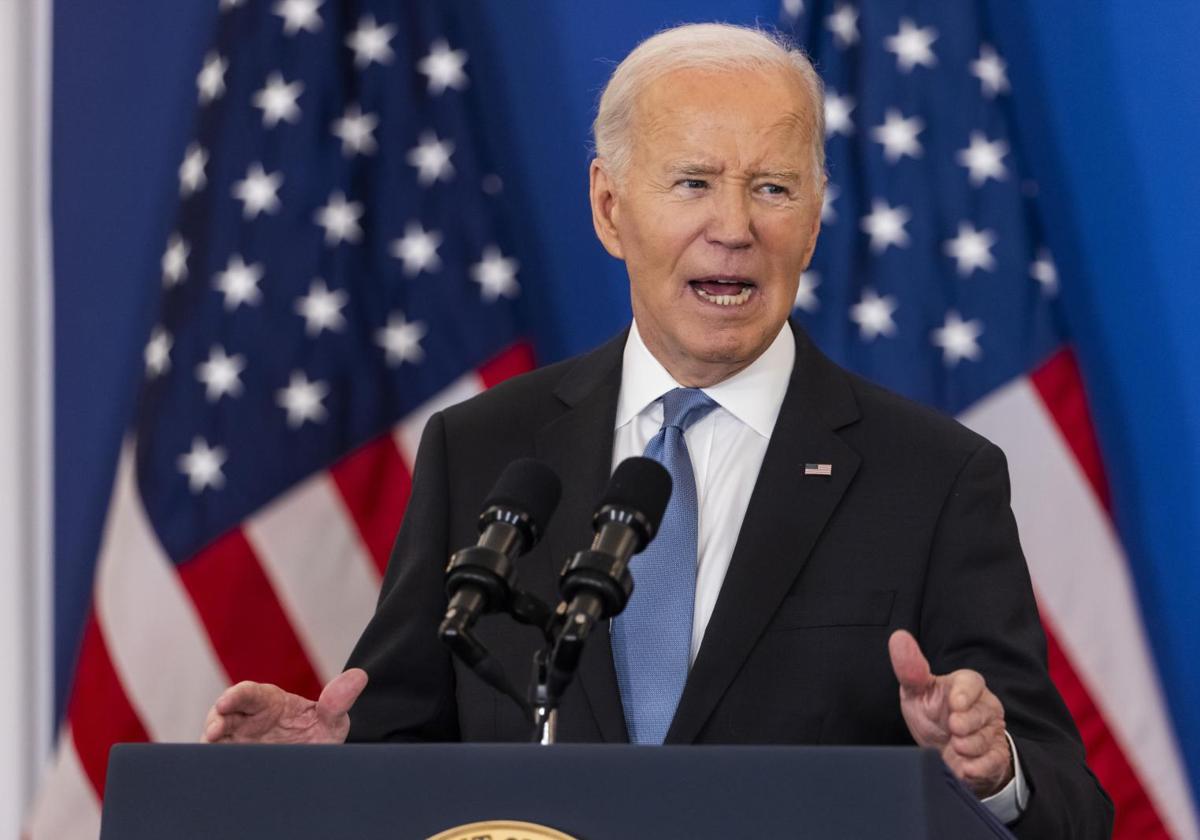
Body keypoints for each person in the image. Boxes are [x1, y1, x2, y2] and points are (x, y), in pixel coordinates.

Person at [203, 23, 1112, 837]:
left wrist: (992, 776)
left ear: (816, 214)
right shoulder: (484, 449)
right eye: (693, 183)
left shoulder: (933, 477)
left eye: (773, 186)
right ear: (610, 208)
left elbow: (1071, 805)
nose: (735, 228)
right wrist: (328, 760)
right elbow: (410, 739)